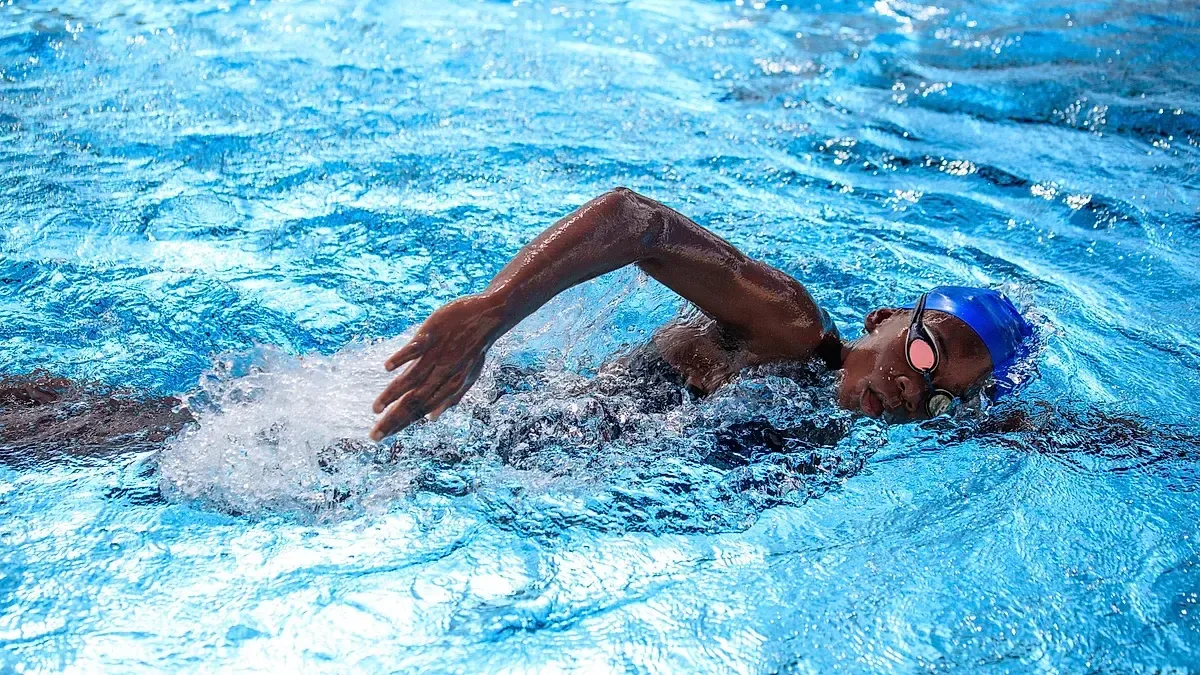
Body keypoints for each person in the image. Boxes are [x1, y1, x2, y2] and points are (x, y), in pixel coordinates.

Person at [371, 187, 1033, 441]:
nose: (914, 386)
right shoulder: (790, 326)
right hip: (492, 429)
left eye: (940, 397)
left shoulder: (854, 415)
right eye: (925, 352)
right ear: (885, 317)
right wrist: (491, 312)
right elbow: (637, 221)